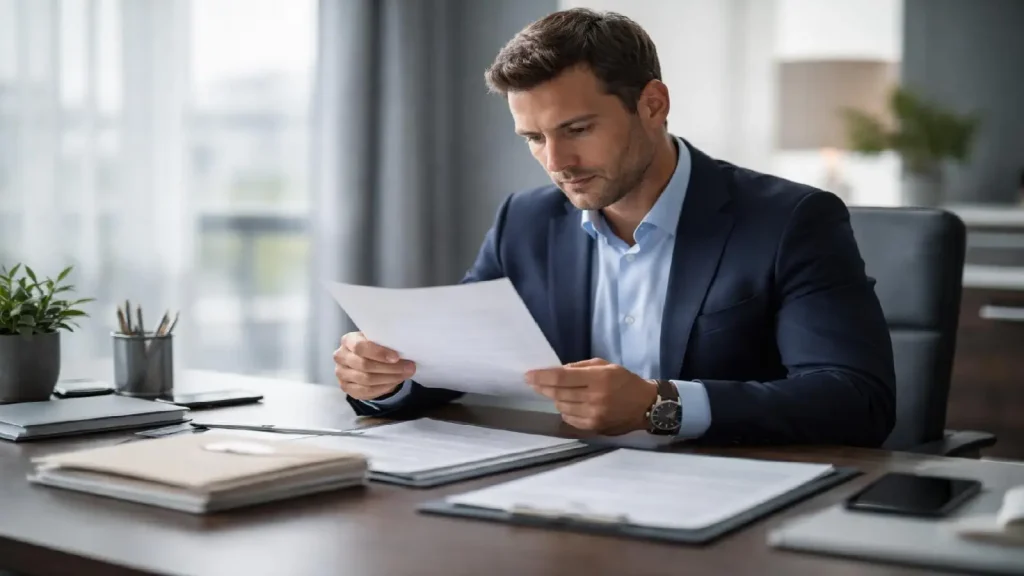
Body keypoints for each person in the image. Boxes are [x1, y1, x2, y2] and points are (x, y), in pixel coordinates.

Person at [334, 8, 896, 447]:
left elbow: (855, 400)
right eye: (534, 138)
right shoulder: (524, 222)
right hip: (573, 494)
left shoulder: (791, 221)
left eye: (576, 129)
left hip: (736, 500)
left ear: (652, 105)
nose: (556, 161)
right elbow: (457, 362)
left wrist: (661, 404)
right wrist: (388, 378)